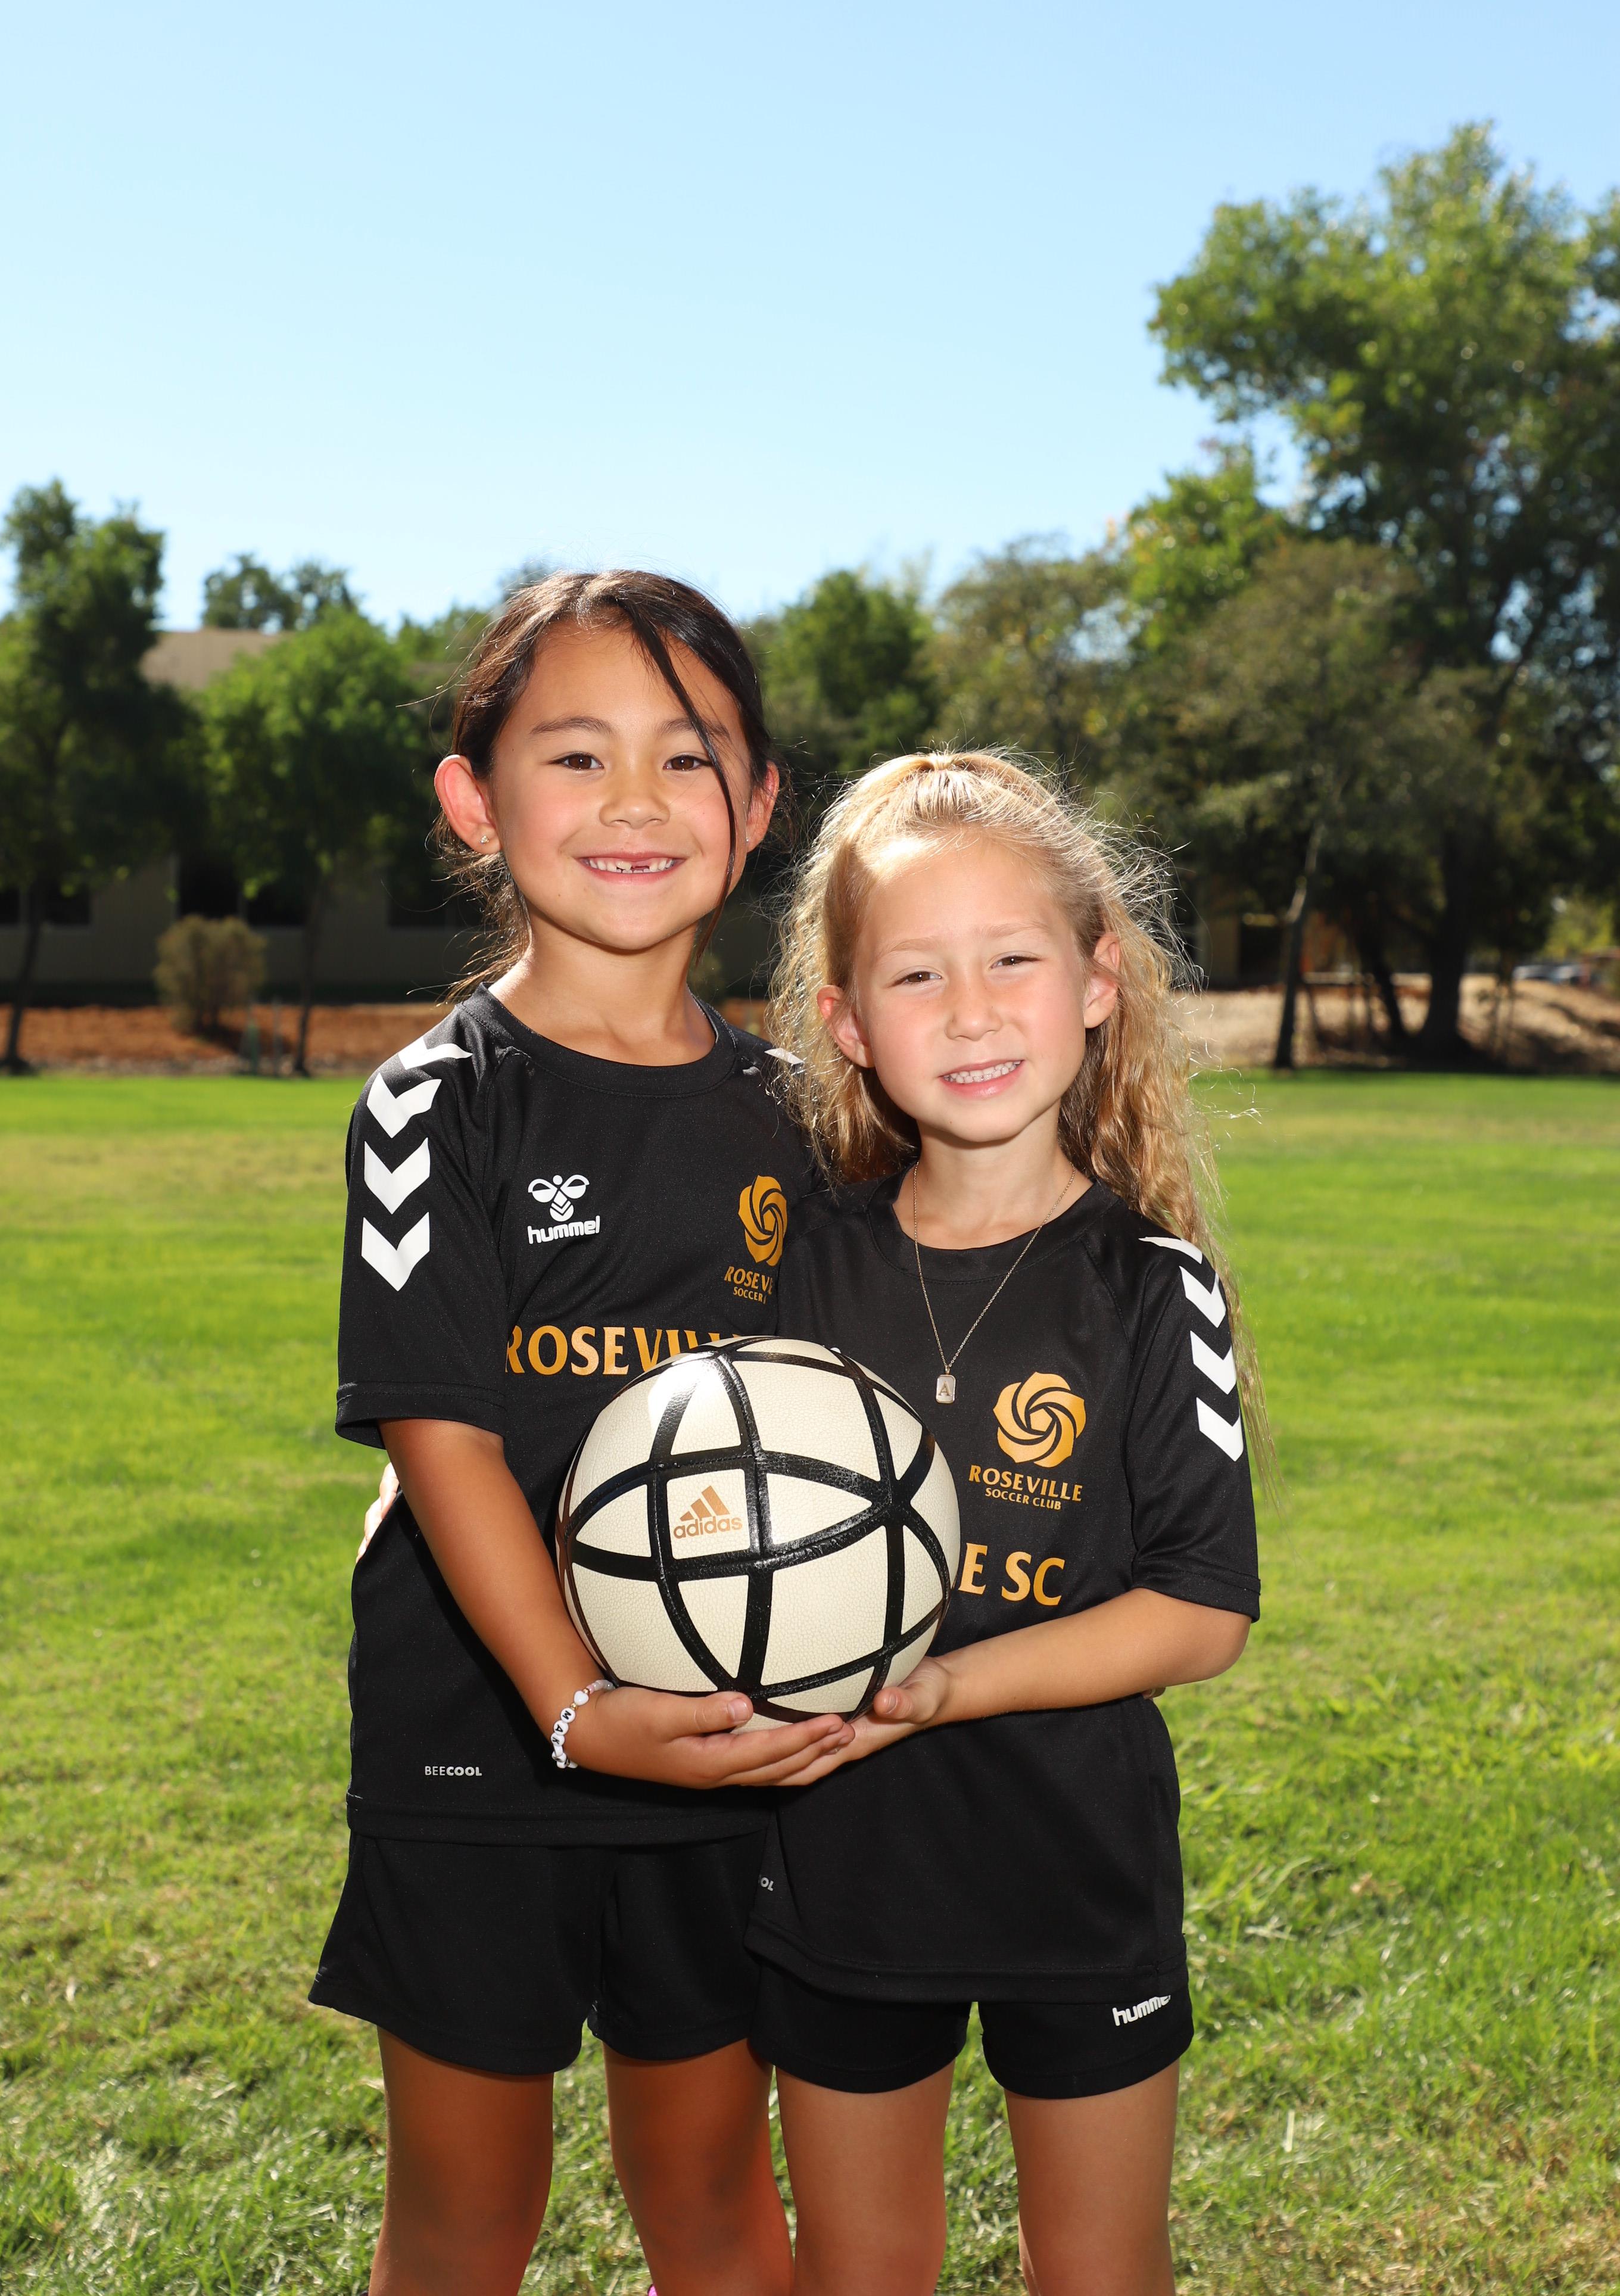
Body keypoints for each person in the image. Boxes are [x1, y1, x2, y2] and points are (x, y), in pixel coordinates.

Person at [310, 571, 853, 2296]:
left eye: (687, 759)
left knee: (712, 2194)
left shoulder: (802, 1120)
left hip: (722, 1734)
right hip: (485, 1736)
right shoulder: (435, 1104)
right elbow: (443, 1438)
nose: (635, 802)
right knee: (469, 2215)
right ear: (475, 803)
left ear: (758, 808)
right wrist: (572, 1703)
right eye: (575, 755)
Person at [746, 751, 1269, 2296]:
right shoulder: (801, 1267)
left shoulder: (1150, 1287)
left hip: (1076, 1873)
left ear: (1099, 983)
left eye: (1012, 961)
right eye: (916, 975)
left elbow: (1202, 1609)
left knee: (1099, 2270)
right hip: (843, 1867)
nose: (970, 1013)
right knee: (860, 2270)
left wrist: (953, 1684)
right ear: (847, 1021)